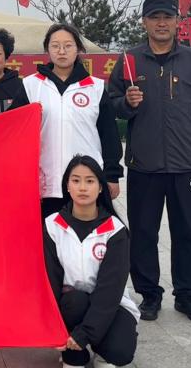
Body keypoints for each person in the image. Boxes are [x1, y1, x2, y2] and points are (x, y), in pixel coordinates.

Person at [106, 0, 191, 324]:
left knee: (189, 233)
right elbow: (110, 104)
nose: (161, 23)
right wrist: (126, 103)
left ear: (177, 22)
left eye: (167, 17)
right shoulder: (130, 61)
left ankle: (188, 296)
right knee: (143, 233)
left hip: (186, 166)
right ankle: (149, 295)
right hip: (144, 164)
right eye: (154, 17)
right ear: (144, 22)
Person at [43, 155, 139, 368]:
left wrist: (85, 334)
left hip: (110, 304)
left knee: (120, 351)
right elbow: (51, 281)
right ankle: (73, 356)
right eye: (76, 180)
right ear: (67, 186)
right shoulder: (52, 226)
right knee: (74, 301)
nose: (82, 187)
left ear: (100, 187)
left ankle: (97, 349)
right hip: (71, 303)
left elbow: (110, 292)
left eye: (90, 181)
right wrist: (52, 328)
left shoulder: (115, 231)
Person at [24, 24, 123, 219]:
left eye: (68, 46)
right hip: (45, 183)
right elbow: (11, 127)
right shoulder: (31, 85)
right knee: (48, 235)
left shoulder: (95, 88)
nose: (61, 51)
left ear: (78, 49)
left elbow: (109, 134)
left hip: (85, 182)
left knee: (87, 234)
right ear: (47, 50)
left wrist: (112, 175)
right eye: (55, 46)